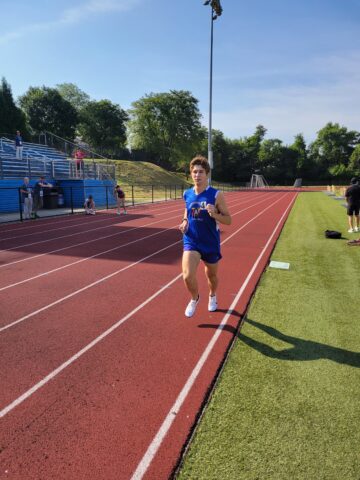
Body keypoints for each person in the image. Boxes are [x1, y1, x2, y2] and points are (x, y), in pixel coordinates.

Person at [179, 155, 232, 318]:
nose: (197, 175)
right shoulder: (187, 193)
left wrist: (214, 213)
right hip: (191, 240)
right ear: (191, 174)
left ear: (207, 174)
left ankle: (212, 295)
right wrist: (184, 221)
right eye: (194, 172)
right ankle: (195, 298)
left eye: (201, 172)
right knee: (187, 276)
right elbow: (188, 210)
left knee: (212, 276)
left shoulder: (216, 195)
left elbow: (228, 220)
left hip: (210, 242)